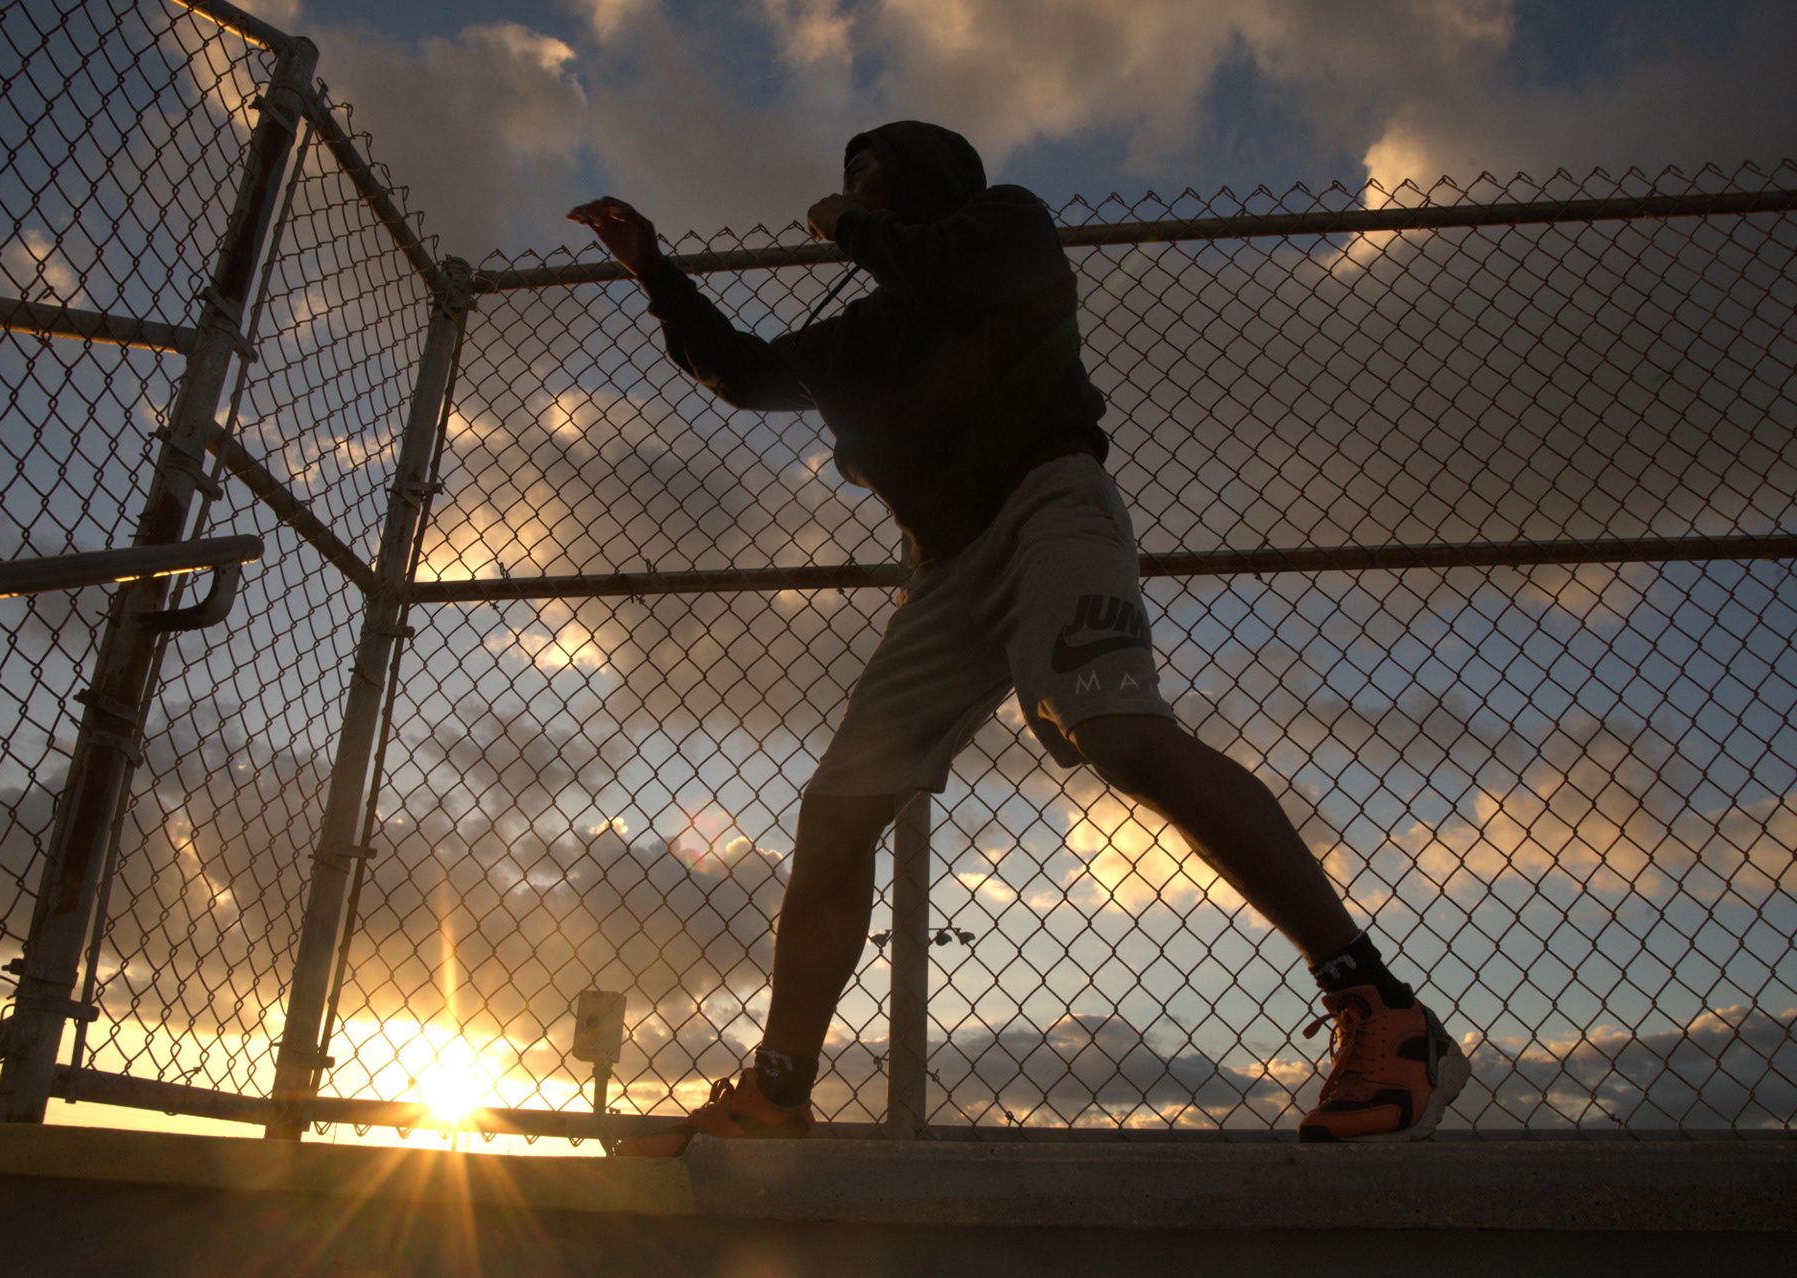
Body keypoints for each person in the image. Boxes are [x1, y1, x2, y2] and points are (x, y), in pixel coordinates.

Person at [567, 121, 1468, 1150]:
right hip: (943, 572)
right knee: (837, 812)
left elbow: (954, 271)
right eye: (847, 179)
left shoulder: (1006, 227)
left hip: (1048, 504)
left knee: (1118, 733)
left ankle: (1380, 1008)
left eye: (869, 172)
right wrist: (654, 272)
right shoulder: (865, 331)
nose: (851, 188)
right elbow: (742, 372)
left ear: (925, 178)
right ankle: (778, 1092)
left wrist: (856, 225)